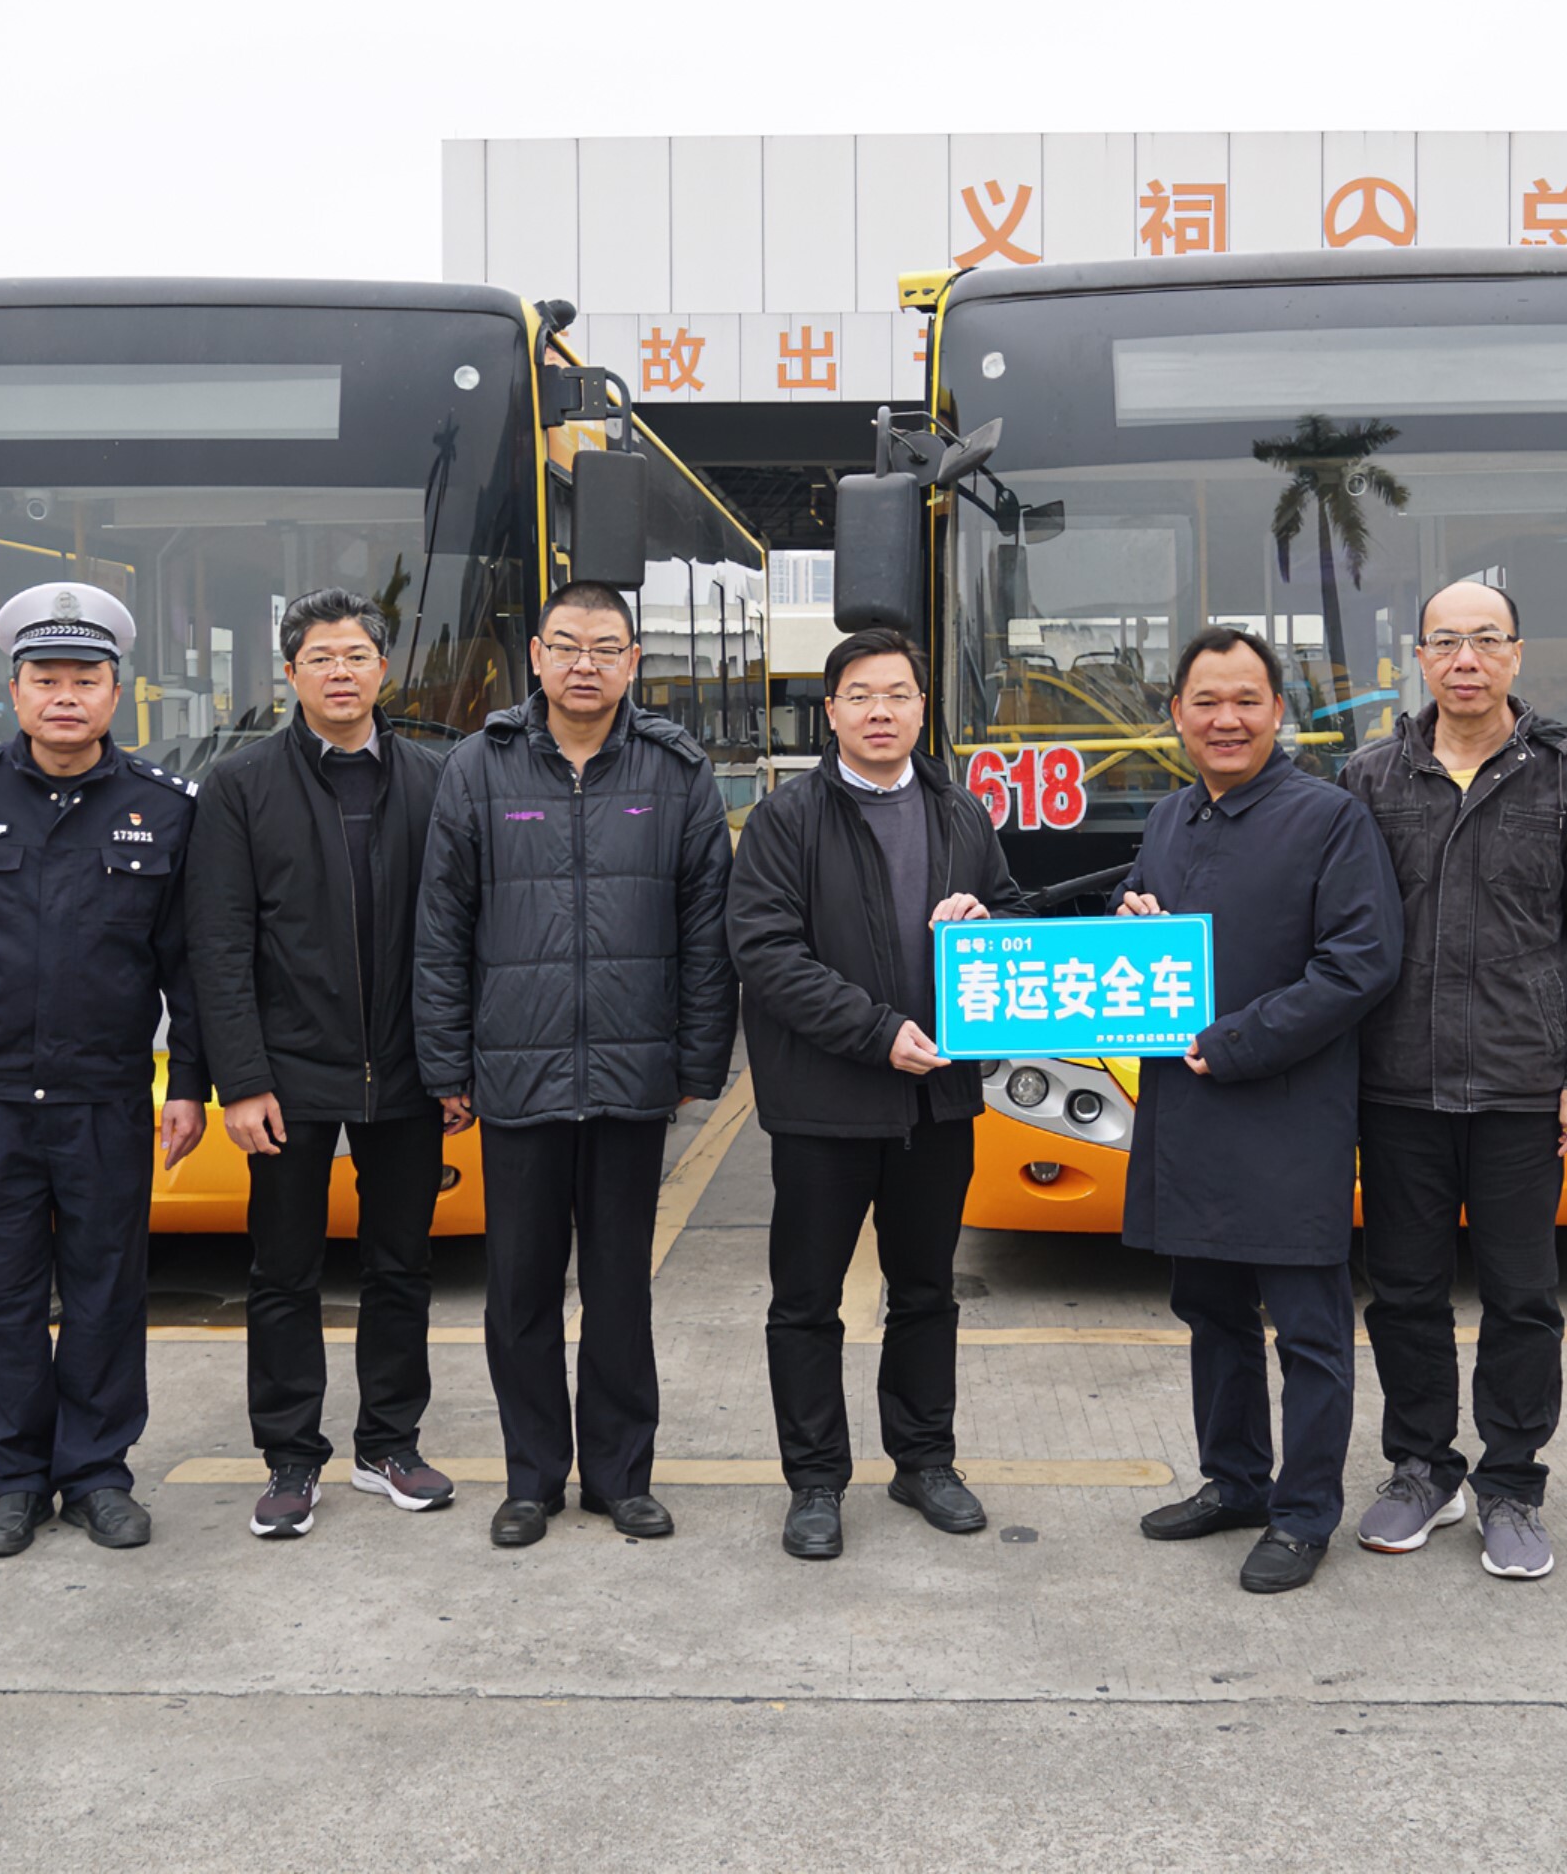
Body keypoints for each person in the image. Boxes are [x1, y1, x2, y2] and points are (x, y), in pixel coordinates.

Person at [0, 584, 209, 1559]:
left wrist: (188, 1085)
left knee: (108, 1290)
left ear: (116, 692)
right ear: (16, 690)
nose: (65, 696)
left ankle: (100, 1473)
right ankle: (18, 1479)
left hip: (106, 1096)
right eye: (45, 679)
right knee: (0, 1295)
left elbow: (188, 964)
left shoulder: (163, 808)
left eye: (85, 679)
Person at [415, 582, 736, 1550]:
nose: (584, 663)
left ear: (634, 661)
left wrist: (700, 1056)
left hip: (633, 1079)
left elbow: (705, 931)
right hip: (516, 1076)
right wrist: (446, 1063)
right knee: (518, 1290)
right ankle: (532, 1478)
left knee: (619, 1287)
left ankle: (620, 1477)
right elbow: (442, 930)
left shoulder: (676, 771)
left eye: (605, 647)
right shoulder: (479, 767)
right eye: (566, 645)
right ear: (537, 658)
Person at [1337, 581, 1567, 1581]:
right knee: (1404, 1292)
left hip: (1522, 1086)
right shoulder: (1370, 778)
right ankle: (1424, 1467)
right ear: (1419, 657)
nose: (1465, 659)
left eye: (1485, 639)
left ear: (1516, 653)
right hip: (1397, 1083)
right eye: (1445, 641)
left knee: (1522, 1296)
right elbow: (1326, 918)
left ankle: (1512, 1480)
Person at [727, 626, 1032, 1561]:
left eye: (897, 694)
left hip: (937, 1106)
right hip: (825, 1106)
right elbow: (766, 952)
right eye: (860, 695)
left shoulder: (960, 813)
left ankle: (924, 1460)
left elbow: (1014, 914)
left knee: (926, 1290)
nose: (880, 711)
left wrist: (989, 917)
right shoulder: (787, 819)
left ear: (921, 708)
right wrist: (874, 1032)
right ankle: (816, 1481)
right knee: (806, 1300)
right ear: (830, 712)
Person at [1119, 627, 1403, 1594]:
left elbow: (1360, 962)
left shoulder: (1329, 819)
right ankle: (1234, 1482)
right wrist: (1128, 921)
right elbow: (1140, 922)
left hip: (1288, 1115)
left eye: (1247, 700)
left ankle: (1303, 1512)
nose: (1226, 719)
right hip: (1187, 1118)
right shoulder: (1170, 818)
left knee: (1309, 1331)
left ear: (1280, 712)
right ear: (1177, 716)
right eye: (1206, 702)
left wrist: (1239, 1040)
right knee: (1210, 1312)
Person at [188, 588, 454, 1540]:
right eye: (319, 658)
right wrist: (241, 1081)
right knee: (283, 1270)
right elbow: (217, 944)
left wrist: (453, 1064)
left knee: (402, 1265)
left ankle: (389, 1444)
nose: (340, 673)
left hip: (410, 1069)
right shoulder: (240, 786)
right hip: (288, 1073)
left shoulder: (437, 780)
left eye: (356, 656)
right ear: (290, 673)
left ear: (384, 670)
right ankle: (291, 1456)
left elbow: (460, 932)